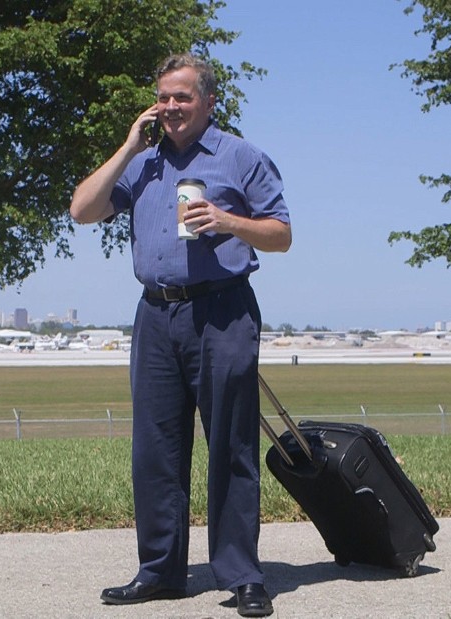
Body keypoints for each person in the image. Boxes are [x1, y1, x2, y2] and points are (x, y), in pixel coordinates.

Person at [69, 53, 291, 617]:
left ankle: (241, 575)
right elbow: (82, 209)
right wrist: (127, 147)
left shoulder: (241, 156)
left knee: (231, 445)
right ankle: (161, 571)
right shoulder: (143, 163)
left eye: (182, 97)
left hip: (223, 312)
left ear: (209, 101)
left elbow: (281, 234)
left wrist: (227, 221)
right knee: (156, 451)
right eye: (162, 97)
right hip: (155, 315)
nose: (170, 107)